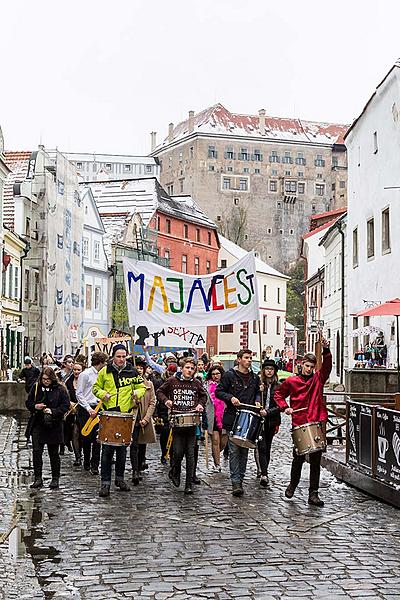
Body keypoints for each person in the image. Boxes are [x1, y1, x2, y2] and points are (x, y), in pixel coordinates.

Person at [274, 339, 332, 507]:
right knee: (298, 458)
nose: (310, 369)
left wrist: (326, 350)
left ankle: (313, 494)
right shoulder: (291, 381)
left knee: (315, 460)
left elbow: (327, 367)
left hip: (316, 422)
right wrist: (285, 407)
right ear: (301, 364)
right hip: (299, 423)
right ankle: (293, 484)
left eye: (312, 367)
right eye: (307, 366)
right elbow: (278, 395)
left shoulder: (318, 379)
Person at [92, 344, 147, 497]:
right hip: (109, 413)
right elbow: (95, 388)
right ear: (113, 356)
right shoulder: (105, 371)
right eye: (118, 356)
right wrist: (103, 394)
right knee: (107, 451)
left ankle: (120, 479)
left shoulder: (132, 371)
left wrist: (137, 392)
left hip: (125, 414)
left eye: (123, 356)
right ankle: (105, 483)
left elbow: (142, 387)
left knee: (122, 450)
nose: (121, 359)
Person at [156, 358, 207, 495]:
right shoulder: (172, 381)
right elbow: (160, 392)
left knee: (190, 454)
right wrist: (166, 401)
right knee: (177, 452)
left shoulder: (196, 383)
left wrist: (201, 404)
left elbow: (204, 396)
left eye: (192, 368)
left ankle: (188, 484)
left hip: (192, 422)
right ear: (182, 368)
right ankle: (175, 471)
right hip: (177, 422)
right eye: (187, 368)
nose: (189, 370)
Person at [215, 349, 261, 497]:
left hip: (249, 416)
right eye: (246, 358)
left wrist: (258, 400)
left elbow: (257, 393)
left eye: (250, 358)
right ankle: (236, 482)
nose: (249, 360)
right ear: (239, 359)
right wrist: (230, 398)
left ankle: (240, 477)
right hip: (233, 416)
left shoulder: (254, 377)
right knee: (234, 450)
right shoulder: (229, 375)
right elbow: (218, 391)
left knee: (245, 449)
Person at [26, 367, 70, 489]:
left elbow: (65, 406)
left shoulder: (60, 389)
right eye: (44, 379)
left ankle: (55, 478)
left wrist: (53, 411)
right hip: (38, 424)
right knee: (37, 452)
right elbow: (28, 403)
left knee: (53, 453)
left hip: (54, 425)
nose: (46, 381)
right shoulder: (36, 388)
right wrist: (36, 406)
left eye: (48, 379)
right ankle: (38, 478)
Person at [76, 351, 108, 474]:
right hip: (86, 409)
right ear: (100, 362)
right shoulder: (85, 374)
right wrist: (88, 408)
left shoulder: (104, 375)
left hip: (99, 408)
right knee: (86, 437)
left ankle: (95, 465)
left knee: (97, 438)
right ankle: (87, 462)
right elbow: (79, 393)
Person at [129, 358, 156, 485]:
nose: (139, 370)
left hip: (144, 418)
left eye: (141, 368)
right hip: (133, 418)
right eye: (137, 368)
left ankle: (139, 467)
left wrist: (146, 418)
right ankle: (134, 470)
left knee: (142, 445)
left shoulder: (149, 384)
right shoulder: (129, 384)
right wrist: (134, 400)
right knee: (133, 445)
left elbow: (152, 402)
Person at [257, 360, 281, 487]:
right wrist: (258, 391)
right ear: (263, 371)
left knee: (268, 446)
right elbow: (254, 399)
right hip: (260, 420)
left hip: (271, 420)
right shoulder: (259, 384)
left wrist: (268, 412)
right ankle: (264, 473)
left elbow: (280, 406)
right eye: (267, 369)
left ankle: (264, 470)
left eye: (271, 369)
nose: (269, 371)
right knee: (262, 447)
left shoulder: (278, 387)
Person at [204, 365, 227, 472]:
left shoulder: (227, 385)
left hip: (225, 417)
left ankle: (216, 453)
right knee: (215, 440)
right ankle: (217, 464)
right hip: (212, 417)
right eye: (213, 374)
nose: (215, 376)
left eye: (217, 373)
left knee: (223, 442)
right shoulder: (207, 386)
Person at [65, 362, 84, 466]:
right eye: (75, 370)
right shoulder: (69, 381)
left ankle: (83, 454)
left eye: (78, 370)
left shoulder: (86, 381)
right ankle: (78, 457)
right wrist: (69, 403)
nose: (76, 372)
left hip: (83, 410)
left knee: (83, 435)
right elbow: (65, 395)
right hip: (72, 412)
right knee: (74, 433)